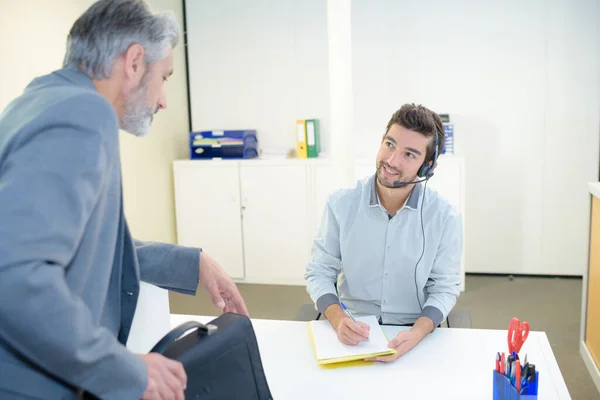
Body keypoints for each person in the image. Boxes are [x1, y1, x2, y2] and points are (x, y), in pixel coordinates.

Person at [0, 0, 248, 399]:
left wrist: (193, 263)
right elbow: (14, 273)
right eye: (164, 77)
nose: (164, 99)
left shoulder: (35, 102)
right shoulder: (83, 115)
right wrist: (124, 369)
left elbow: (88, 244)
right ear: (134, 62)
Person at [305, 103, 462, 362]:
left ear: (427, 167)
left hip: (413, 331)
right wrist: (337, 318)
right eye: (390, 145)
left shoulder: (444, 217)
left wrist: (417, 333)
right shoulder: (340, 205)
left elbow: (445, 287)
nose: (391, 161)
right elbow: (319, 271)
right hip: (351, 327)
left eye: (409, 154)